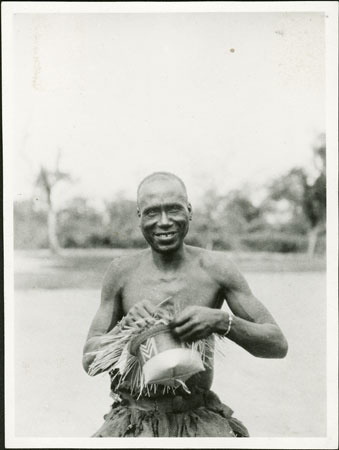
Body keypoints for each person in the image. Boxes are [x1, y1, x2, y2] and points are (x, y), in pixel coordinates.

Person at [82, 172, 288, 437]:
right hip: (135, 419)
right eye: (152, 212)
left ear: (189, 211)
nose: (164, 222)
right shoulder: (121, 272)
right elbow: (89, 362)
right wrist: (123, 330)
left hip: (198, 419)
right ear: (139, 216)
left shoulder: (216, 268)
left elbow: (277, 345)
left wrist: (222, 321)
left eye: (174, 209)